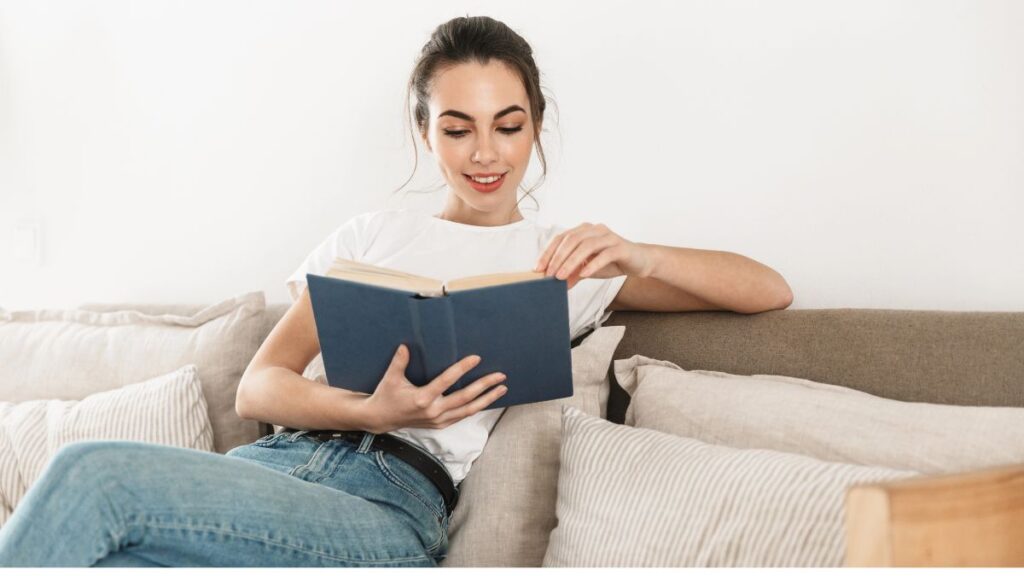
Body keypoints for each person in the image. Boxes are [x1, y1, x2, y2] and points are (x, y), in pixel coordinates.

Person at [0, 15, 792, 568]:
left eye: (507, 126)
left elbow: (768, 289)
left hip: (385, 506)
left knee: (89, 474)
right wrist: (370, 408)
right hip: (273, 469)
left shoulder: (562, 262)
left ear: (537, 127)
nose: (485, 153)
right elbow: (260, 385)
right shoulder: (367, 240)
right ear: (426, 132)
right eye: (457, 128)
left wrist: (640, 253)